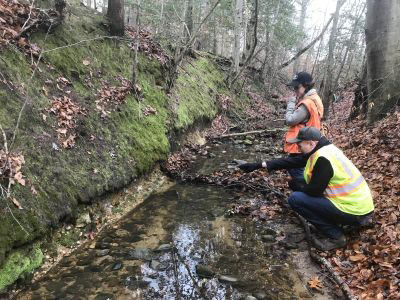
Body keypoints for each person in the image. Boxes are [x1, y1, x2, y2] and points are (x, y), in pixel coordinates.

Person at [236, 127, 374, 251]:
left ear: (311, 143)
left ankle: (335, 236)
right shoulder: (325, 148)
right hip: (360, 208)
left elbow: (314, 191)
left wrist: (297, 186)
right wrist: (258, 165)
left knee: (295, 199)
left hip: (354, 212)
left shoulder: (322, 158)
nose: (297, 147)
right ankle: (338, 222)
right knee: (298, 187)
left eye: (299, 144)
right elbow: (291, 162)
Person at [284, 72, 324, 182]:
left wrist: (291, 103)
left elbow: (290, 120)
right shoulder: (315, 99)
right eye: (294, 88)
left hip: (300, 145)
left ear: (306, 86)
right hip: (309, 143)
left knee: (297, 172)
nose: (295, 90)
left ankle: (306, 195)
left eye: (297, 87)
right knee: (303, 171)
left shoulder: (307, 103)